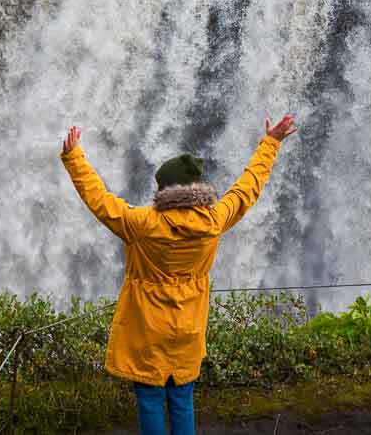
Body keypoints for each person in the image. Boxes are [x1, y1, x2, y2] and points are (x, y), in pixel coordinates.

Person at [59, 113, 298, 435]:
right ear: (196, 189)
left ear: (163, 191)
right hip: (188, 326)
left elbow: (99, 201)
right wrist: (271, 143)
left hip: (146, 327)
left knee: (150, 397)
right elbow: (246, 190)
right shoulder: (214, 221)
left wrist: (75, 158)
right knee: (183, 397)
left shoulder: (142, 224)